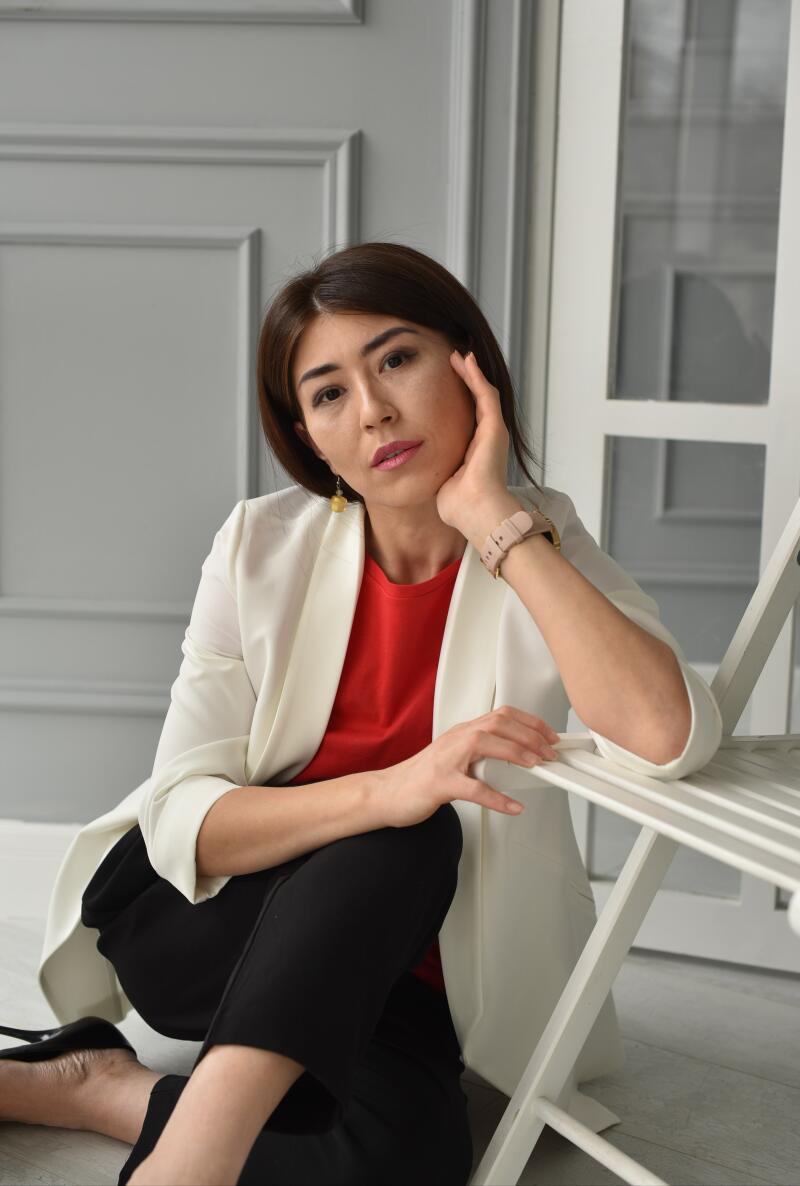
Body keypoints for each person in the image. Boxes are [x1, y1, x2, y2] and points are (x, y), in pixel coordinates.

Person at [1, 242, 722, 1186]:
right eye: (329, 393)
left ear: (469, 367)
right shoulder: (260, 545)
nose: (374, 409)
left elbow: (667, 737)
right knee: (408, 830)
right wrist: (389, 790)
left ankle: (95, 1086)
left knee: (404, 1162)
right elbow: (181, 816)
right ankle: (185, 1168)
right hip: (201, 920)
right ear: (308, 435)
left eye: (397, 359)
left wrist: (494, 520)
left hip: (406, 973)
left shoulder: (539, 542)